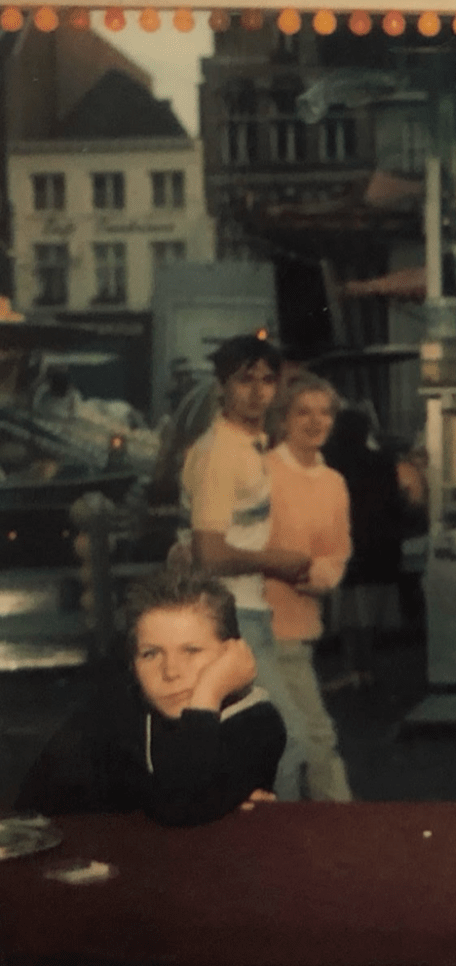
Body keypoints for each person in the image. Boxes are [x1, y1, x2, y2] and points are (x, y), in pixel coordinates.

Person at [15, 568, 285, 825]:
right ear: (132, 663)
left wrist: (207, 695)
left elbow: (180, 805)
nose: (171, 671)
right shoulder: (113, 712)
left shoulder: (257, 721)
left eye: (191, 651)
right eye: (151, 654)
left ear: (232, 655)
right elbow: (31, 807)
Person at [181, 334, 310, 802]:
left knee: (260, 741)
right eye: (244, 380)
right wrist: (277, 563)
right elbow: (209, 553)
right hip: (231, 615)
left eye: (267, 380)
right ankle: (281, 841)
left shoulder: (251, 444)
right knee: (289, 743)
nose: (257, 392)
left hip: (251, 610)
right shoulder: (221, 453)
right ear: (221, 386)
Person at [263, 372, 354, 801]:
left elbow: (336, 554)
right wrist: (300, 569)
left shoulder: (333, 483)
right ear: (283, 419)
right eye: (304, 412)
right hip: (262, 628)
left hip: (301, 628)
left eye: (324, 413)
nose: (316, 422)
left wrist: (313, 575)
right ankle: (341, 825)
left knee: (297, 739)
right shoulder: (263, 474)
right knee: (313, 736)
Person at [322, 407, 403, 691]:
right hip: (380, 546)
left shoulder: (330, 461)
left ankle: (351, 668)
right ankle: (368, 667)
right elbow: (395, 504)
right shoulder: (382, 461)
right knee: (371, 611)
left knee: (347, 612)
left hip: (345, 544)